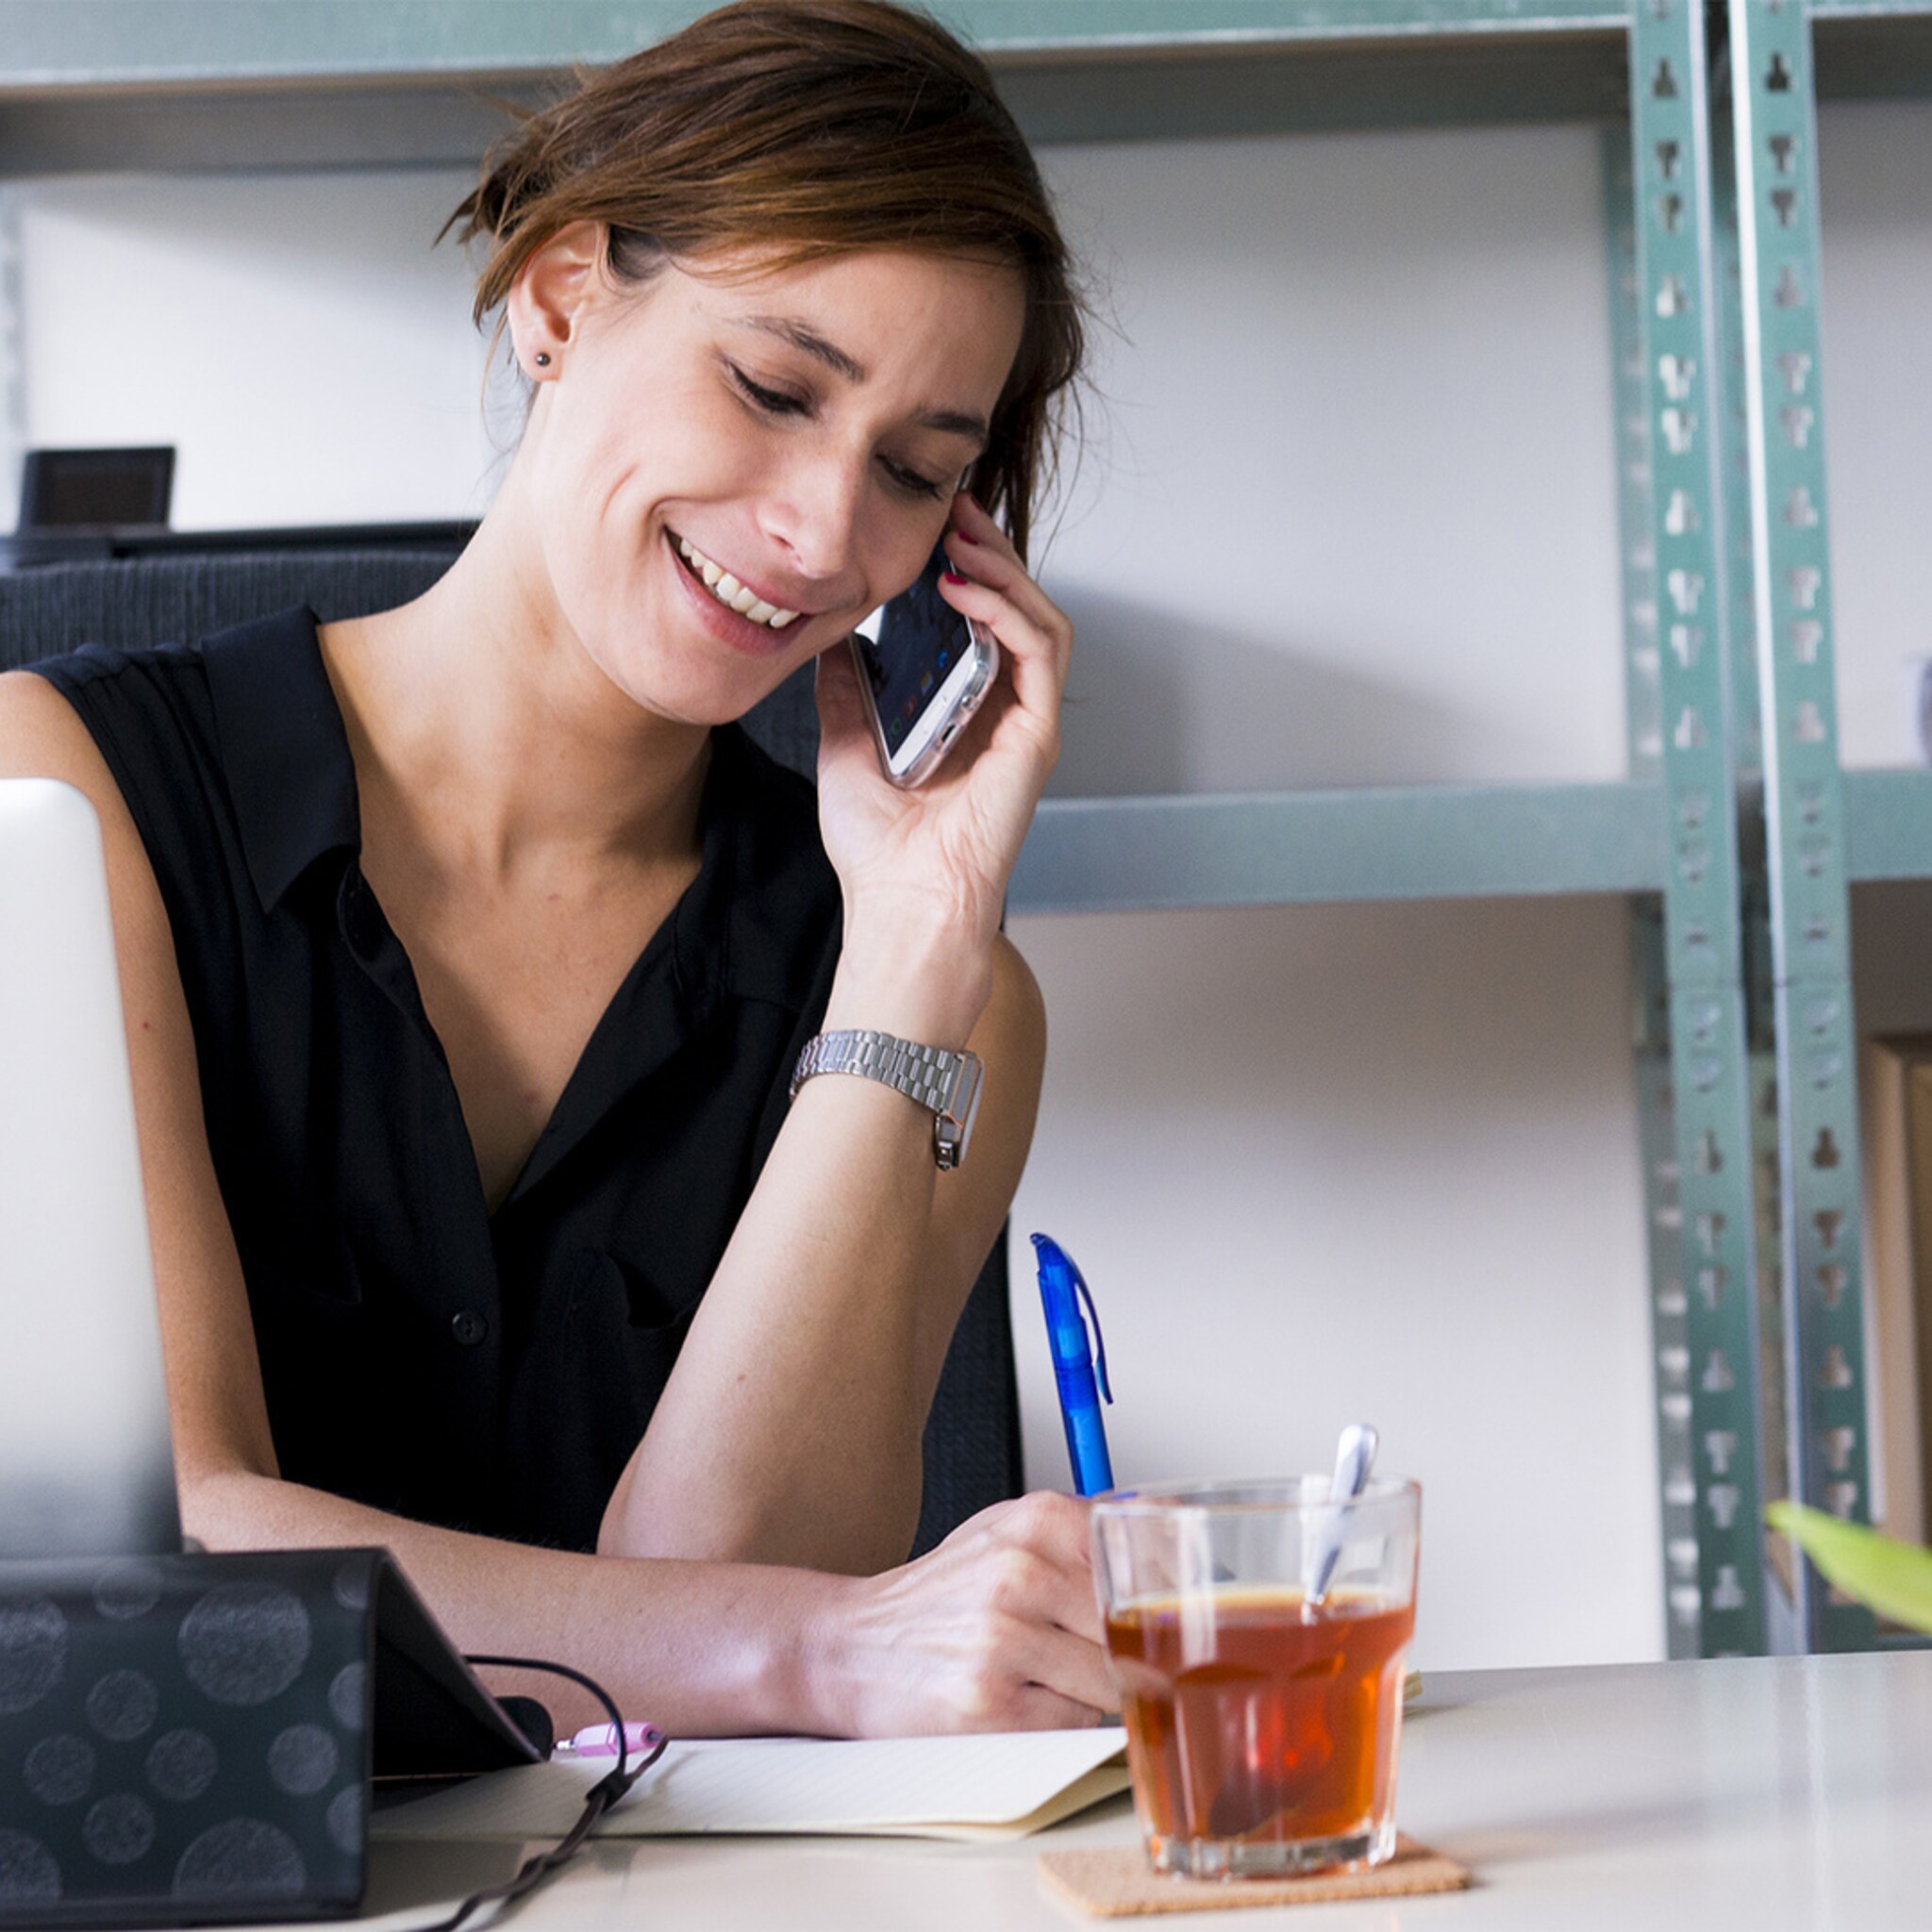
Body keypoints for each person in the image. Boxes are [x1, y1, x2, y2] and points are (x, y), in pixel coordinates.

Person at [0, 0, 1113, 1737]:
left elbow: (726, 1626)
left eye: (913, 472)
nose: (824, 533)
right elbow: (178, 1552)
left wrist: (906, 955)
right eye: (772, 387)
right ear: (558, 299)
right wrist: (811, 1648)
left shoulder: (940, 995)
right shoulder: (62, 800)